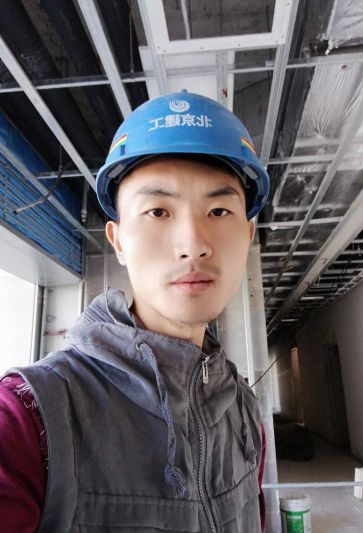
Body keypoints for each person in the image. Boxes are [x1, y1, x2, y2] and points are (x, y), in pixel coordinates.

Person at [0, 91, 269, 532]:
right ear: (118, 241)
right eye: (158, 211)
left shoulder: (244, 412)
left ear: (248, 233)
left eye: (219, 210)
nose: (193, 244)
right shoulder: (29, 419)